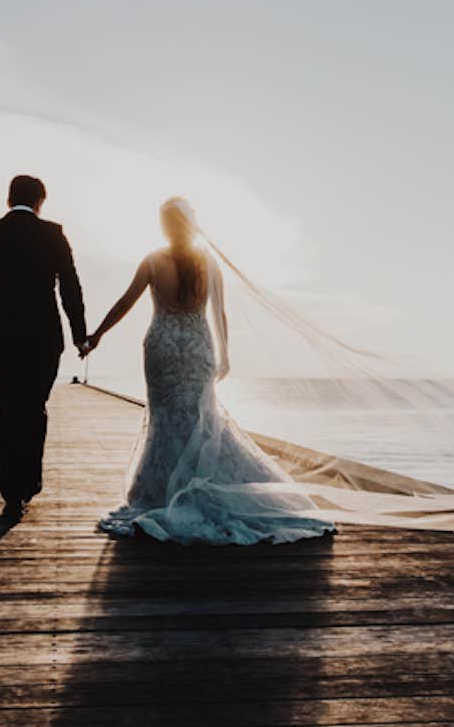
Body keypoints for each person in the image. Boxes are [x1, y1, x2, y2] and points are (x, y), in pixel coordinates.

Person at [82, 197, 331, 545]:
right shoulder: (208, 263)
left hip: (162, 346)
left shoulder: (152, 261)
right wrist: (224, 354)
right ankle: (203, 486)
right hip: (198, 346)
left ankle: (161, 491)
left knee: (164, 418)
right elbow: (220, 313)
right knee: (200, 417)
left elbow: (125, 302)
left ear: (164, 227)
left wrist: (96, 335)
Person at [0, 175, 86, 520]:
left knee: (7, 415)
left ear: (8, 200)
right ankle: (29, 482)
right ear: (40, 202)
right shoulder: (53, 234)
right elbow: (70, 287)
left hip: (2, 339)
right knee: (34, 408)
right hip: (44, 339)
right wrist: (79, 334)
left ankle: (11, 495)